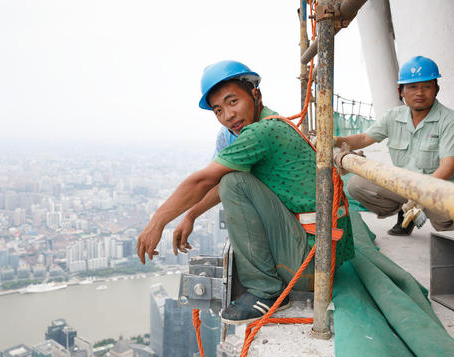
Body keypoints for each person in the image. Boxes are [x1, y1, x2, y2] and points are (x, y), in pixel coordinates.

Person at [137, 60, 354, 325]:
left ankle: (266, 289)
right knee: (232, 180)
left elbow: (205, 181)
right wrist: (190, 215)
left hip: (313, 266)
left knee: (233, 183)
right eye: (218, 110)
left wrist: (156, 222)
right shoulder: (271, 121)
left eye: (232, 102)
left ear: (256, 95)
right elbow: (214, 183)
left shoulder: (261, 132)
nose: (228, 116)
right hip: (326, 254)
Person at [334, 56, 454, 235]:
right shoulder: (393, 116)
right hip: (408, 183)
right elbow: (364, 139)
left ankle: (450, 230)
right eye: (412, 87)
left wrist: (420, 195)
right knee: (356, 185)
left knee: (438, 213)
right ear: (401, 91)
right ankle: (404, 214)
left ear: (436, 89)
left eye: (426, 86)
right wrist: (334, 140)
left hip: (443, 186)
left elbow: (447, 168)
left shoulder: (450, 120)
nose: (419, 93)